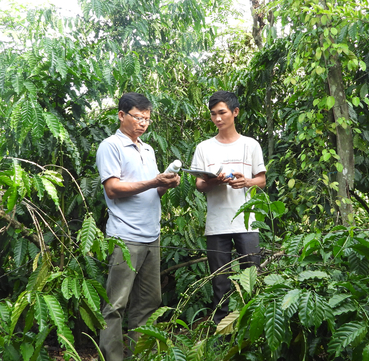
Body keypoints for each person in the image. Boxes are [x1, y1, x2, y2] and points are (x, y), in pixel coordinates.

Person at [96, 92, 180, 361]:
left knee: (148, 304)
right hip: (125, 237)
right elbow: (113, 189)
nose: (143, 123)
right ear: (121, 115)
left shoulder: (148, 149)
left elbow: (152, 193)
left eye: (147, 118)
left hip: (151, 237)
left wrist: (165, 185)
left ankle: (139, 357)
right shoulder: (110, 146)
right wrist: (154, 182)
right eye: (138, 117)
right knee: (116, 305)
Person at [190, 90, 266, 325]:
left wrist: (247, 181)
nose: (217, 119)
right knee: (219, 281)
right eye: (213, 114)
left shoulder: (250, 145)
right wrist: (216, 180)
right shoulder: (204, 147)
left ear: (235, 112)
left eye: (222, 112)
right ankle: (221, 331)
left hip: (247, 221)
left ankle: (252, 325)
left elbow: (261, 179)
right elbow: (200, 184)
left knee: (251, 275)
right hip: (216, 223)